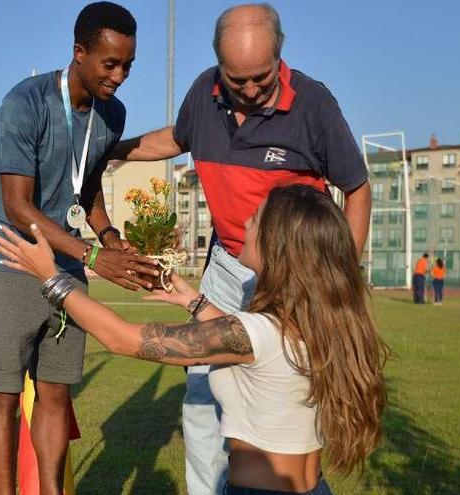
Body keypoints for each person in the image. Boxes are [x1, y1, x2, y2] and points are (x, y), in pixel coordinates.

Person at [110, 4, 372, 492]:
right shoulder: (203, 93)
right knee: (201, 399)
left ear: (280, 57)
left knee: (286, 408)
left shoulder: (314, 104)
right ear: (218, 68)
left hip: (297, 277)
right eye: (238, 80)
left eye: (262, 78)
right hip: (229, 268)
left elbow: (356, 187)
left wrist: (341, 277)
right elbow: (177, 138)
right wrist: (111, 148)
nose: (250, 90)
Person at [0, 184, 390, 495]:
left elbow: (124, 339)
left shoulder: (253, 332)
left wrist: (51, 277)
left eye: (256, 219)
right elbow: (258, 351)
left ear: (278, 245)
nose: (246, 224)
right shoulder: (312, 324)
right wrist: (194, 300)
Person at [0, 4, 158, 494]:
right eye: (110, 64)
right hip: (11, 257)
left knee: (55, 394)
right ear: (80, 53)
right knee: (5, 398)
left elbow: (87, 186)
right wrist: (97, 256)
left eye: (128, 66)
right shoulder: (25, 103)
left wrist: (112, 238)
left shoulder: (111, 114)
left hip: (69, 265)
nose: (119, 77)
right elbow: (17, 205)